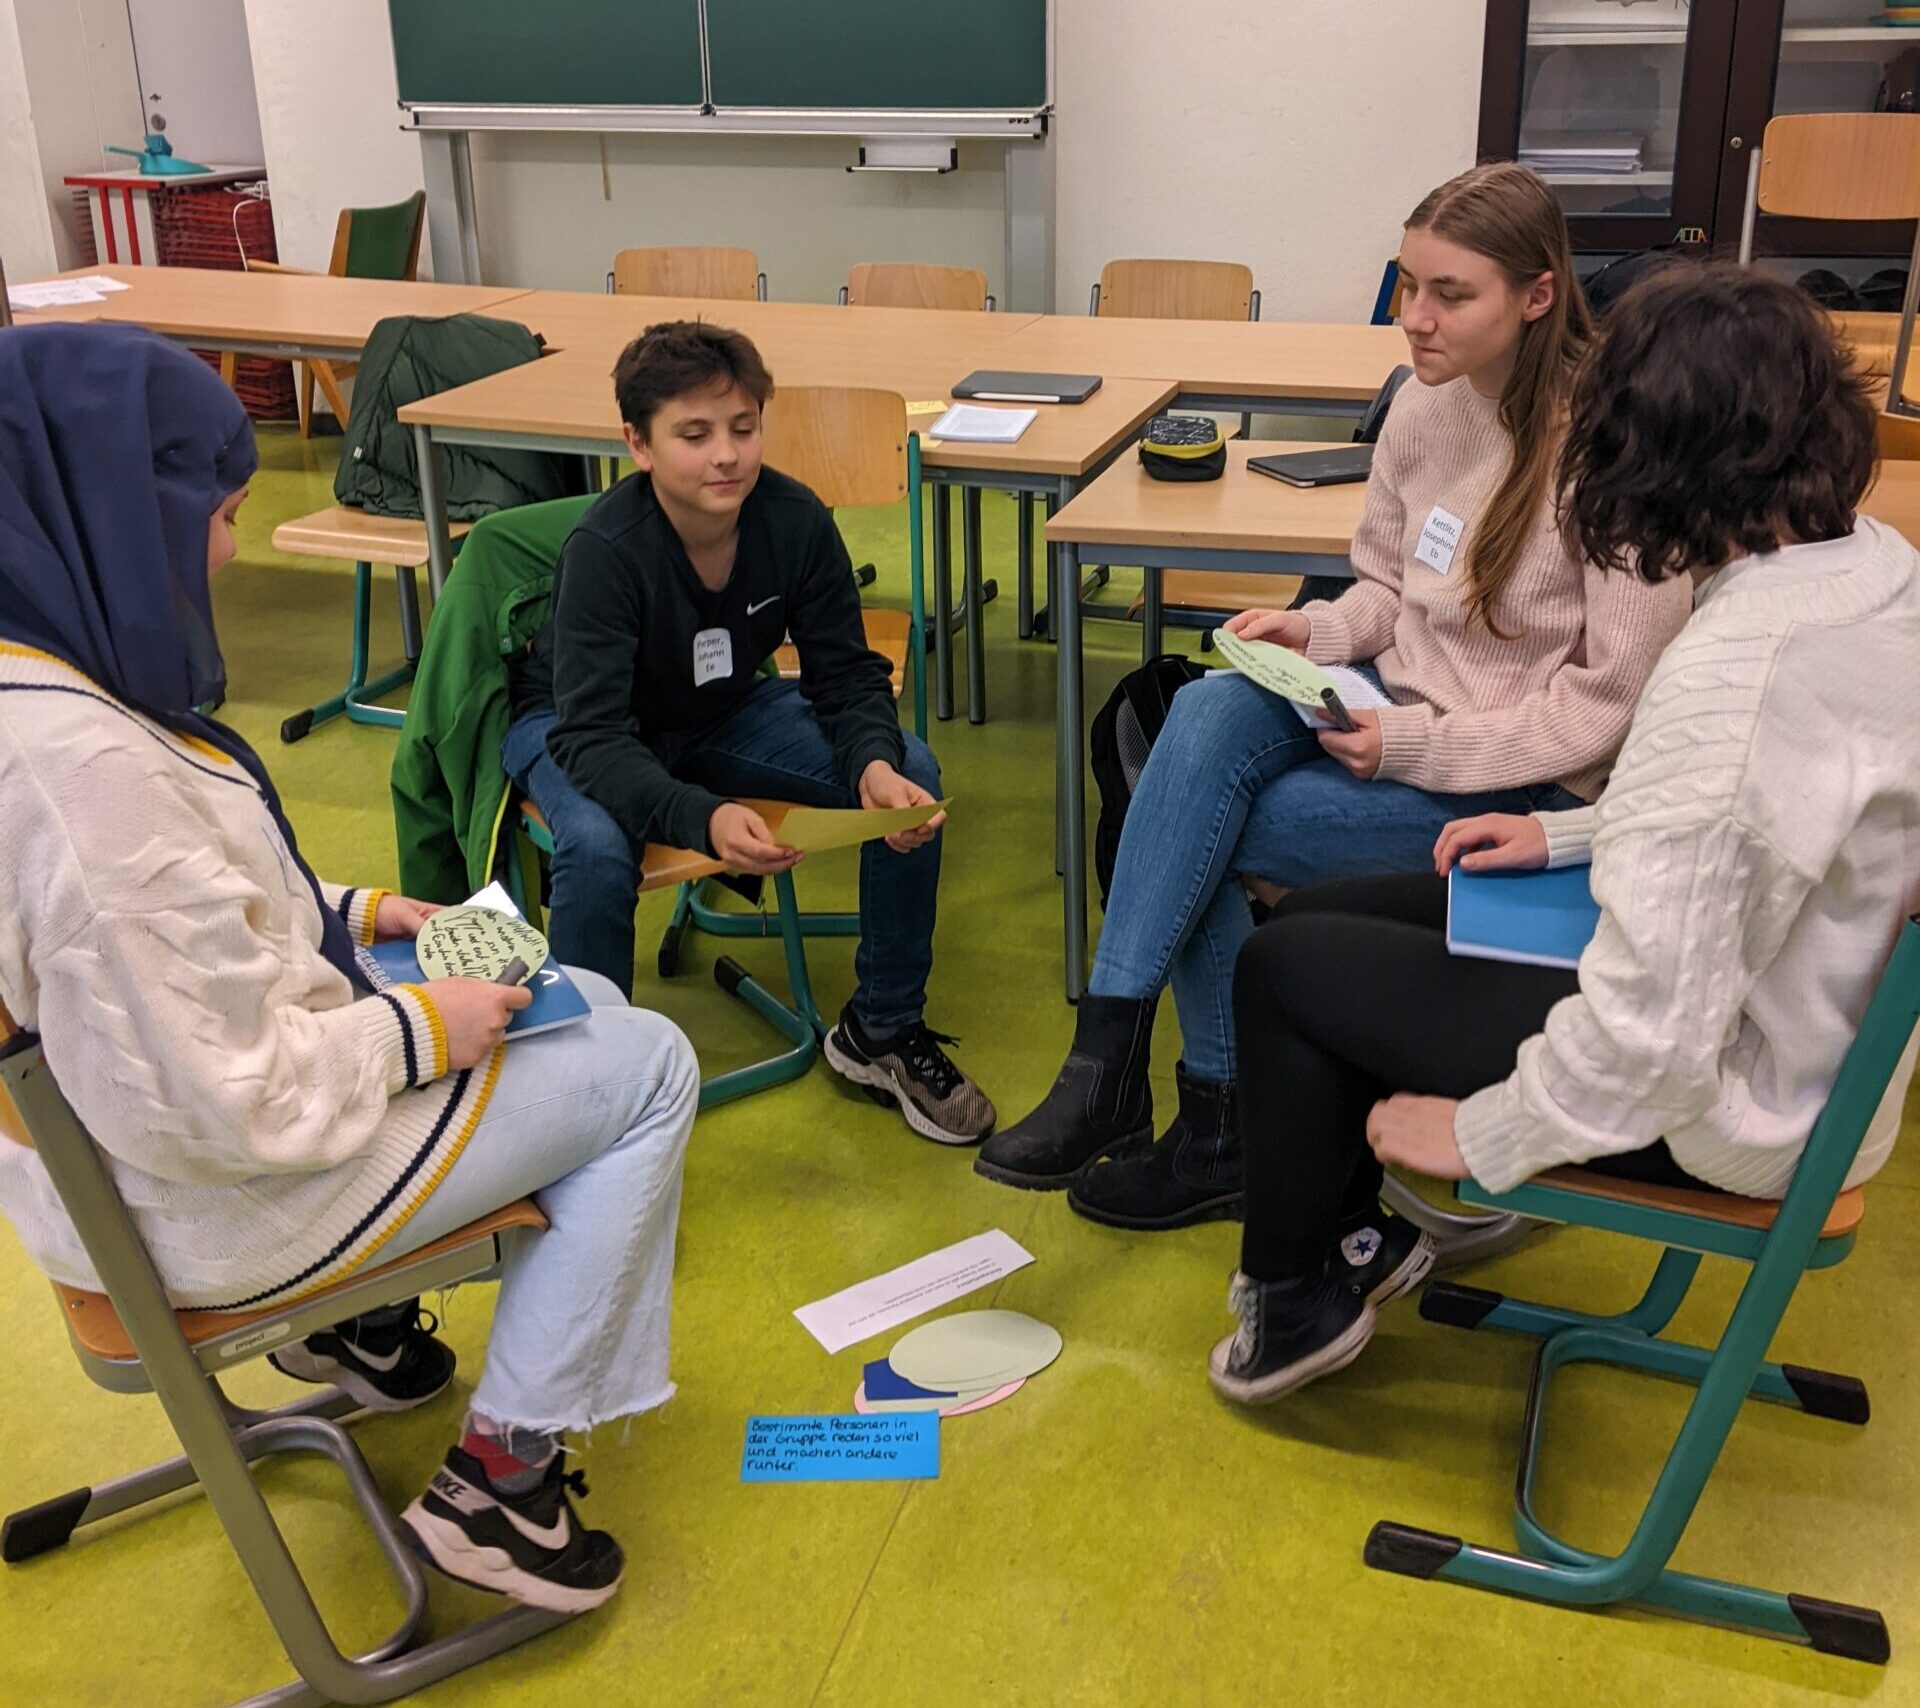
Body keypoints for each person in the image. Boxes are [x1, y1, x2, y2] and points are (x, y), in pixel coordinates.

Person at [0, 325, 699, 1612]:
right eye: (218, 515)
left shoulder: (34, 675)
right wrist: (425, 1027)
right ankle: (501, 1483)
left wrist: (364, 911)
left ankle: (361, 1332)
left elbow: (184, 907)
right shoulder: (78, 779)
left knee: (587, 999)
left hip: (121, 1161)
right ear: (108, 507)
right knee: (649, 1063)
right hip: (216, 1196)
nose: (229, 549)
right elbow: (226, 1099)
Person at [1213, 264, 1920, 1403]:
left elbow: (1657, 1041)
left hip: (1734, 1103)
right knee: (1340, 917)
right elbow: (1767, 817)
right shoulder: (1876, 569)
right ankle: (1352, 1240)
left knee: (1282, 968)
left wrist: (1490, 1134)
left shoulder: (1736, 674)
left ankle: (1294, 1302)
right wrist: (1573, 837)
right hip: (1807, 1029)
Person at [978, 163, 1691, 1232]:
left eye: (1450, 294)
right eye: (1407, 283)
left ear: (1537, 295)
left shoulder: (1616, 451)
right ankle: (1116, 1058)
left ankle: (1207, 1118)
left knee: (1187, 820)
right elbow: (1388, 590)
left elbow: (1603, 711)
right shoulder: (1426, 405)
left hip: (1514, 789)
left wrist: (1408, 745)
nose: (1414, 317)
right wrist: (1311, 632)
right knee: (1200, 712)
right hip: (1392, 700)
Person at [503, 320, 994, 1146]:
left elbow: (846, 675)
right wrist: (702, 816)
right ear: (639, 444)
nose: (726, 455)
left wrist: (871, 763)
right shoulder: (606, 550)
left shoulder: (794, 519)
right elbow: (593, 740)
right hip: (573, 724)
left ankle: (880, 1030)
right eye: (694, 435)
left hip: (721, 710)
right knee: (597, 847)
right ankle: (586, 1093)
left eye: (743, 427)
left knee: (910, 771)